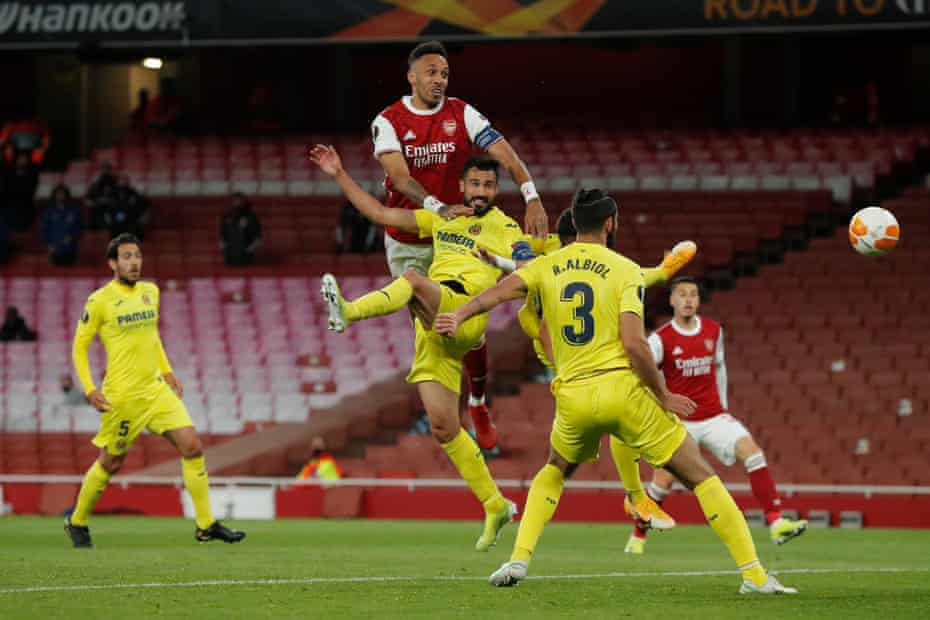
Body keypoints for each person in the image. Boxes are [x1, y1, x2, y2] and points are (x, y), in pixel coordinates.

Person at [436, 189, 796, 594]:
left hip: (572, 397)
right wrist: (662, 395)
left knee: (554, 470)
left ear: (574, 224)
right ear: (611, 223)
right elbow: (634, 343)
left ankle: (519, 558)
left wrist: (458, 314)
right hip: (622, 392)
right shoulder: (624, 269)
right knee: (701, 477)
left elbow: (494, 294)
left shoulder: (546, 265)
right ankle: (754, 575)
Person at [312, 145, 529, 551]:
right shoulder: (441, 219)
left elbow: (528, 266)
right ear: (462, 186)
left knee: (411, 278)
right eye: (475, 184)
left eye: (489, 185)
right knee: (445, 427)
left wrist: (503, 261)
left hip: (463, 313)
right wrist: (338, 173)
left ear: (497, 190)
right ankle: (495, 504)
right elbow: (380, 215)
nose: (481, 191)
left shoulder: (504, 226)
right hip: (434, 328)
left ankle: (348, 311)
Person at [369, 40, 548, 451]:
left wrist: (531, 195)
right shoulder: (388, 120)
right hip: (410, 240)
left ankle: (478, 403)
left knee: (469, 324)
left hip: (457, 234)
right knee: (436, 330)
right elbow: (398, 178)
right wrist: (437, 206)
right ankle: (449, 417)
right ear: (412, 77)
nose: (439, 80)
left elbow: (505, 155)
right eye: (431, 73)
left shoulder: (461, 112)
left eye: (445, 74)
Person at [67, 233, 245, 548]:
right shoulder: (99, 301)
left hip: (156, 389)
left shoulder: (151, 291)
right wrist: (90, 388)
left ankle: (206, 525)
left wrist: (167, 371)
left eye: (137, 255)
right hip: (122, 397)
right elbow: (79, 348)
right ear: (112, 263)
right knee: (110, 463)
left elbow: (151, 337)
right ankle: (77, 521)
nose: (134, 262)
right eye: (126, 257)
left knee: (192, 446)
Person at [624, 277, 807, 554]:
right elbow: (643, 372)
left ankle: (776, 522)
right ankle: (638, 537)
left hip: (712, 416)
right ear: (672, 301)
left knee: (753, 453)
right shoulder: (660, 339)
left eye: (693, 295)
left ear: (698, 301)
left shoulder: (713, 330)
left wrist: (722, 404)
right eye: (682, 295)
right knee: (663, 482)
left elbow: (719, 368)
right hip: (679, 422)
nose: (687, 300)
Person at [41, 184, 83, 266]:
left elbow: (79, 228)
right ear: (54, 195)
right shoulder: (49, 212)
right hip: (54, 248)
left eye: (62, 194)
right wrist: (48, 244)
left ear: (66, 195)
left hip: (70, 248)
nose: (60, 196)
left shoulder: (74, 211)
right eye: (58, 194)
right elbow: (44, 229)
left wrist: (72, 237)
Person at [220, 192, 262, 266]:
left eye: (238, 200)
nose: (236, 202)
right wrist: (223, 245)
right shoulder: (228, 216)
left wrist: (252, 247)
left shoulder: (251, 216)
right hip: (230, 254)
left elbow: (257, 234)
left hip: (246, 253)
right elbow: (223, 233)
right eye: (234, 200)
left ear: (243, 201)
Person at [104, 174, 150, 241]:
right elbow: (107, 209)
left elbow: (145, 205)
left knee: (136, 231)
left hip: (131, 222)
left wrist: (144, 217)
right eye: (121, 180)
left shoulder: (133, 192)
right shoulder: (113, 193)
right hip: (116, 222)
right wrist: (108, 217)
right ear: (118, 182)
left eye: (125, 180)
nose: (124, 182)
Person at [2, 151, 39, 231]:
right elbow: (5, 189)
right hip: (10, 205)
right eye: (20, 159)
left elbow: (31, 189)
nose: (22, 161)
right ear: (16, 159)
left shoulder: (32, 173)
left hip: (26, 205)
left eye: (24, 159)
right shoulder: (8, 172)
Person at [85, 162, 119, 230]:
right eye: (104, 169)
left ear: (110, 171)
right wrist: (95, 202)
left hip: (111, 210)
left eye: (107, 169)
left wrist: (109, 201)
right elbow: (87, 200)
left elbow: (119, 199)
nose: (105, 171)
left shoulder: (116, 184)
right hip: (97, 209)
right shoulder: (96, 185)